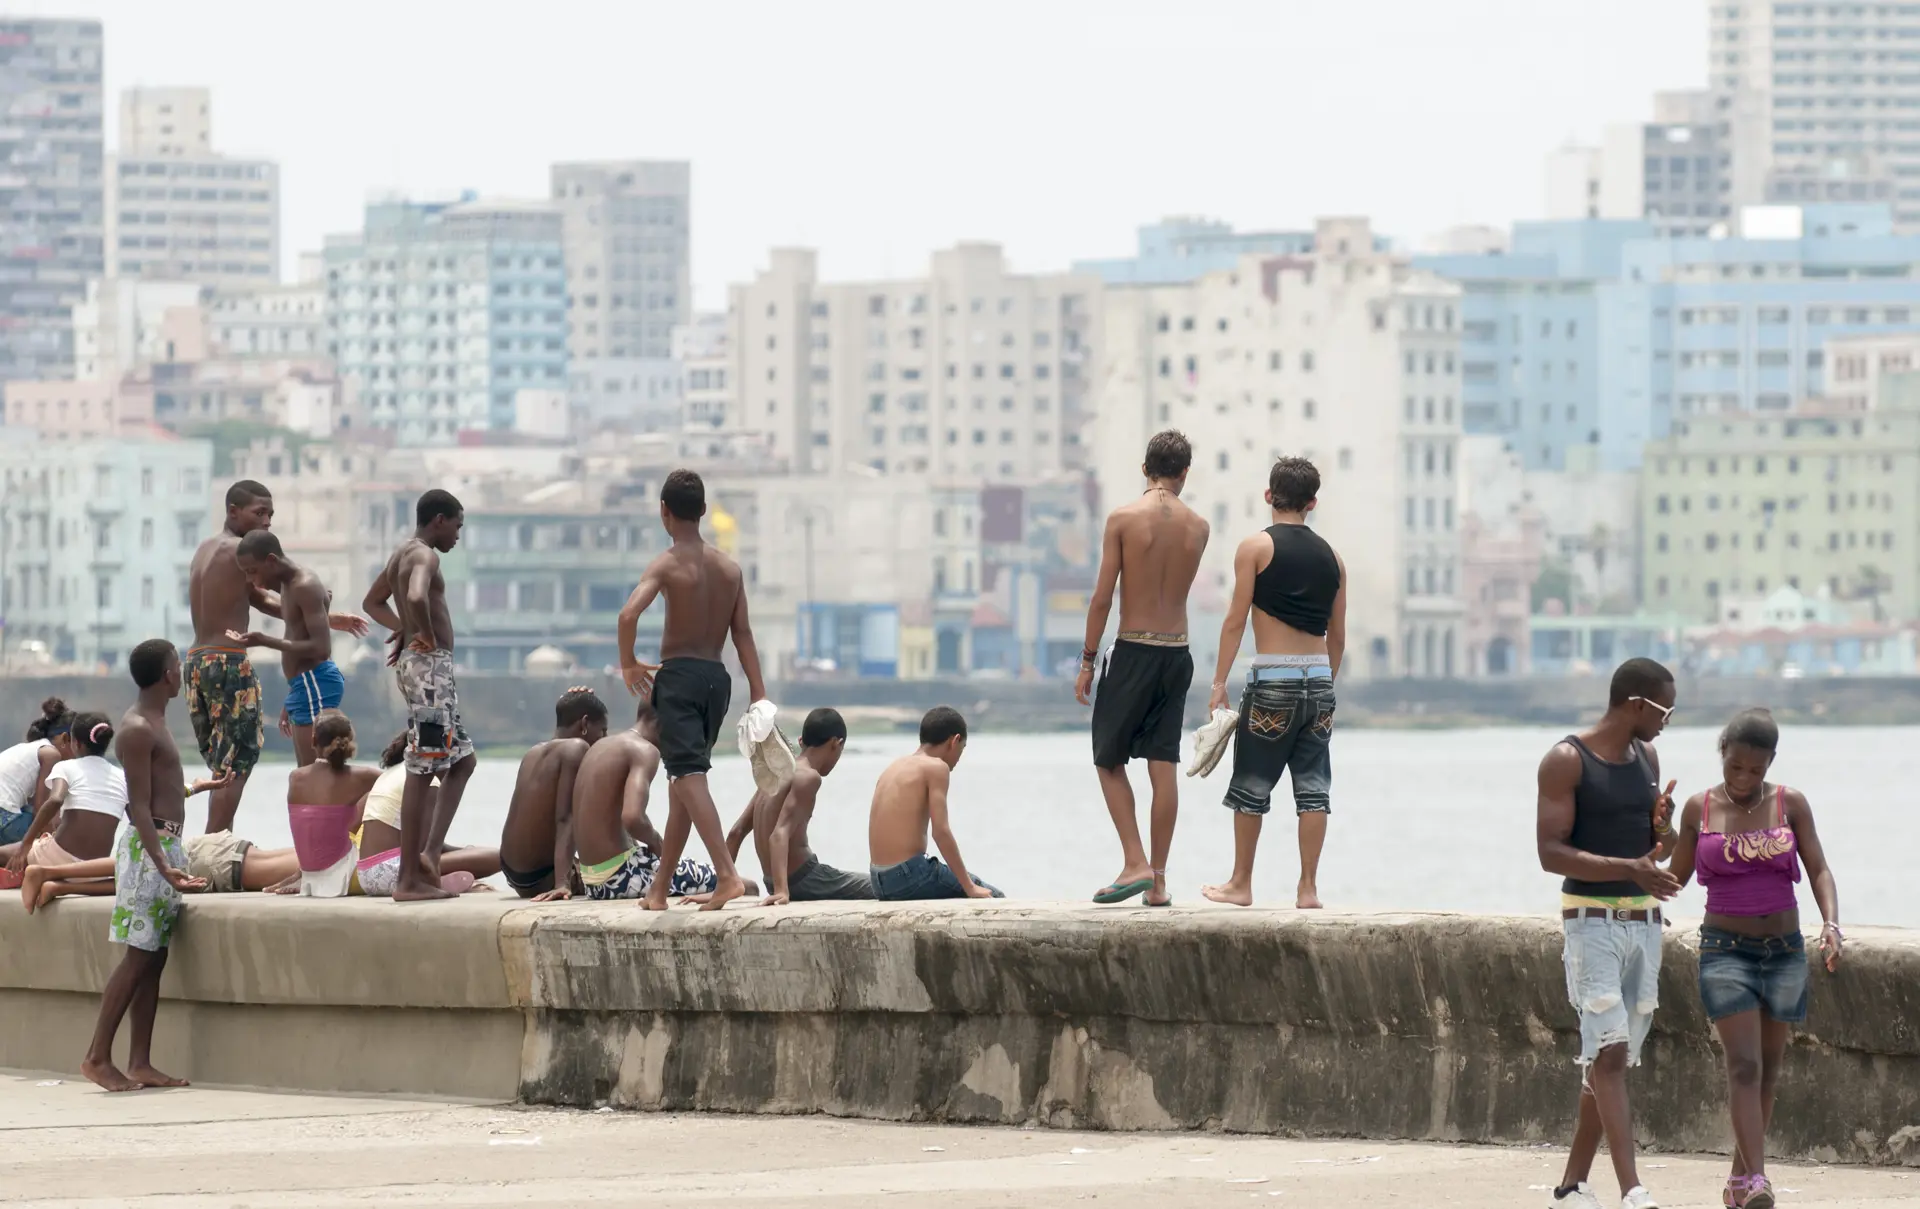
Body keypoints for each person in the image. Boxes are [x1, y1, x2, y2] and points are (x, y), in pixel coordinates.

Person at [1666, 709, 1842, 1209]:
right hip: (1724, 951)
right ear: (1721, 754)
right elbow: (1672, 877)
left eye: (1755, 770)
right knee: (1743, 1065)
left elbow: (1820, 870)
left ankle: (1739, 1182)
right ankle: (1759, 1181)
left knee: (1768, 1070)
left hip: (1784, 952)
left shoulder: (1791, 804)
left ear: (1770, 764)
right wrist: (1654, 835)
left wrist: (1830, 924)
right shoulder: (1699, 810)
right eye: (1735, 767)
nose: (1744, 779)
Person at [1535, 658, 1682, 1209]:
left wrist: (1662, 826)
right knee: (1612, 1056)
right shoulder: (1567, 759)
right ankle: (1632, 1188)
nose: (1669, 720)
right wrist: (1630, 867)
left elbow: (1655, 850)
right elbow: (1551, 853)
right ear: (1637, 704)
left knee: (1606, 1060)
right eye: (1666, 709)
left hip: (1644, 924)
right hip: (1591, 923)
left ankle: (1571, 1186)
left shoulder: (1647, 756)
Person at [1201, 457, 1348, 910]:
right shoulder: (1334, 559)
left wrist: (1219, 682)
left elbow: (1234, 620)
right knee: (1313, 789)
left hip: (1273, 683)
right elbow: (1337, 635)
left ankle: (1241, 884)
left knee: (1251, 782)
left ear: (1269, 496)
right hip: (1320, 681)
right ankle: (1308, 889)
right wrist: (1322, 685)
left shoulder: (1255, 548)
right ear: (1312, 503)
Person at [615, 468, 764, 912]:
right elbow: (744, 635)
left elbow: (627, 616)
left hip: (678, 676)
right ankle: (659, 889)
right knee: (684, 779)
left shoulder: (666, 563)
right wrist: (758, 693)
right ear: (702, 511)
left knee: (685, 775)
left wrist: (628, 663)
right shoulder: (730, 569)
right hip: (718, 680)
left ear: (664, 512)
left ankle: (726, 875)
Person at [1074, 429, 1208, 907]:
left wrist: (1088, 661)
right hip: (1178, 652)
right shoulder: (1199, 526)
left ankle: (1133, 860)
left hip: (1133, 649)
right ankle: (1158, 881)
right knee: (1162, 763)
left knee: (1108, 758)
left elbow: (1102, 597)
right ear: (1184, 474)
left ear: (1144, 468)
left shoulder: (1124, 518)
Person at [188, 479, 368, 833]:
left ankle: (212, 844)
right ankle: (214, 846)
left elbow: (264, 600)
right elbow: (276, 598)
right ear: (233, 511)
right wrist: (323, 616)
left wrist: (326, 617)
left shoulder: (207, 549)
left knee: (222, 763)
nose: (267, 521)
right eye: (260, 513)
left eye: (270, 514)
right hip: (227, 660)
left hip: (197, 662)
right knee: (236, 764)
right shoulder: (240, 551)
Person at [83, 639, 207, 1093]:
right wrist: (161, 863)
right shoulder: (136, 728)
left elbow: (164, 790)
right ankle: (97, 1057)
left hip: (167, 844)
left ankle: (140, 1062)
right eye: (177, 666)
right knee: (138, 956)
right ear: (165, 675)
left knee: (154, 957)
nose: (181, 673)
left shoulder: (157, 721)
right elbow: (137, 806)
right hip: (146, 849)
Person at [362, 488, 478, 902]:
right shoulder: (426, 556)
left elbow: (371, 602)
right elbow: (414, 595)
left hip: (425, 669)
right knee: (423, 767)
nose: (458, 537)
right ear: (439, 520)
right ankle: (409, 878)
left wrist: (403, 630)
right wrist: (421, 632)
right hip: (429, 671)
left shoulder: (400, 554)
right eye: (457, 526)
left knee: (462, 761)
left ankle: (428, 854)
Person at [568, 700, 725, 902]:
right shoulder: (644, 750)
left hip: (592, 881)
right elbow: (633, 817)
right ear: (664, 721)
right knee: (738, 884)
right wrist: (657, 843)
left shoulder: (601, 746)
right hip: (621, 876)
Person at [229, 529, 350, 767]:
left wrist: (265, 640)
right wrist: (293, 696)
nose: (250, 579)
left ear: (271, 560)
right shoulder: (287, 584)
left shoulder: (303, 584)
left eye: (252, 571)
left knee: (314, 772)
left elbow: (321, 648)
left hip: (316, 682)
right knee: (306, 771)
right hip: (304, 684)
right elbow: (300, 622)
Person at [867, 707, 1000, 901]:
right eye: (962, 748)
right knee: (994, 896)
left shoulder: (894, 767)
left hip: (878, 880)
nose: (958, 758)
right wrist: (969, 887)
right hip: (908, 876)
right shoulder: (936, 767)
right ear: (954, 741)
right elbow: (940, 832)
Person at [351, 724, 495, 897]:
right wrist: (467, 853)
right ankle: (439, 882)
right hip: (393, 871)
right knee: (499, 858)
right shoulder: (426, 783)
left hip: (366, 876)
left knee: (472, 853)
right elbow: (424, 850)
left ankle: (448, 880)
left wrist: (465, 851)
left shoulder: (392, 774)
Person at [750, 707, 872, 904]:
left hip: (771, 881)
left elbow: (736, 832)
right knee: (879, 887)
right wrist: (782, 891)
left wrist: (723, 884)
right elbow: (779, 834)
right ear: (836, 743)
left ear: (801, 741)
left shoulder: (777, 773)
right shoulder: (809, 777)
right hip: (804, 879)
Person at [500, 688, 611, 899]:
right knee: (624, 877)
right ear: (585, 724)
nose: (604, 738)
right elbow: (565, 818)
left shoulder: (534, 752)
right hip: (540, 877)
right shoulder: (577, 749)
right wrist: (562, 883)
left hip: (513, 872)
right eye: (603, 731)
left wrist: (574, 702)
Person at [0, 698, 77, 871]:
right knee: (60, 830)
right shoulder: (51, 755)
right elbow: (41, 808)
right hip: (3, 817)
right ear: (65, 739)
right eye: (77, 744)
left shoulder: (30, 748)